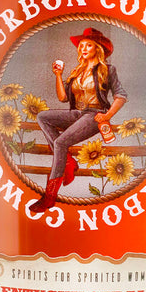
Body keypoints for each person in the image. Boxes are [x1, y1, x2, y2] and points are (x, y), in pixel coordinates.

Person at [32, 27, 127, 212]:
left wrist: (107, 116)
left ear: (97, 48)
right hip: (77, 113)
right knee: (43, 116)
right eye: (81, 45)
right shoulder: (78, 70)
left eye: (88, 45)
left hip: (94, 115)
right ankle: (68, 161)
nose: (83, 48)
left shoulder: (107, 69)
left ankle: (50, 196)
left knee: (60, 142)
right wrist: (58, 75)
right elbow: (63, 98)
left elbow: (121, 96)